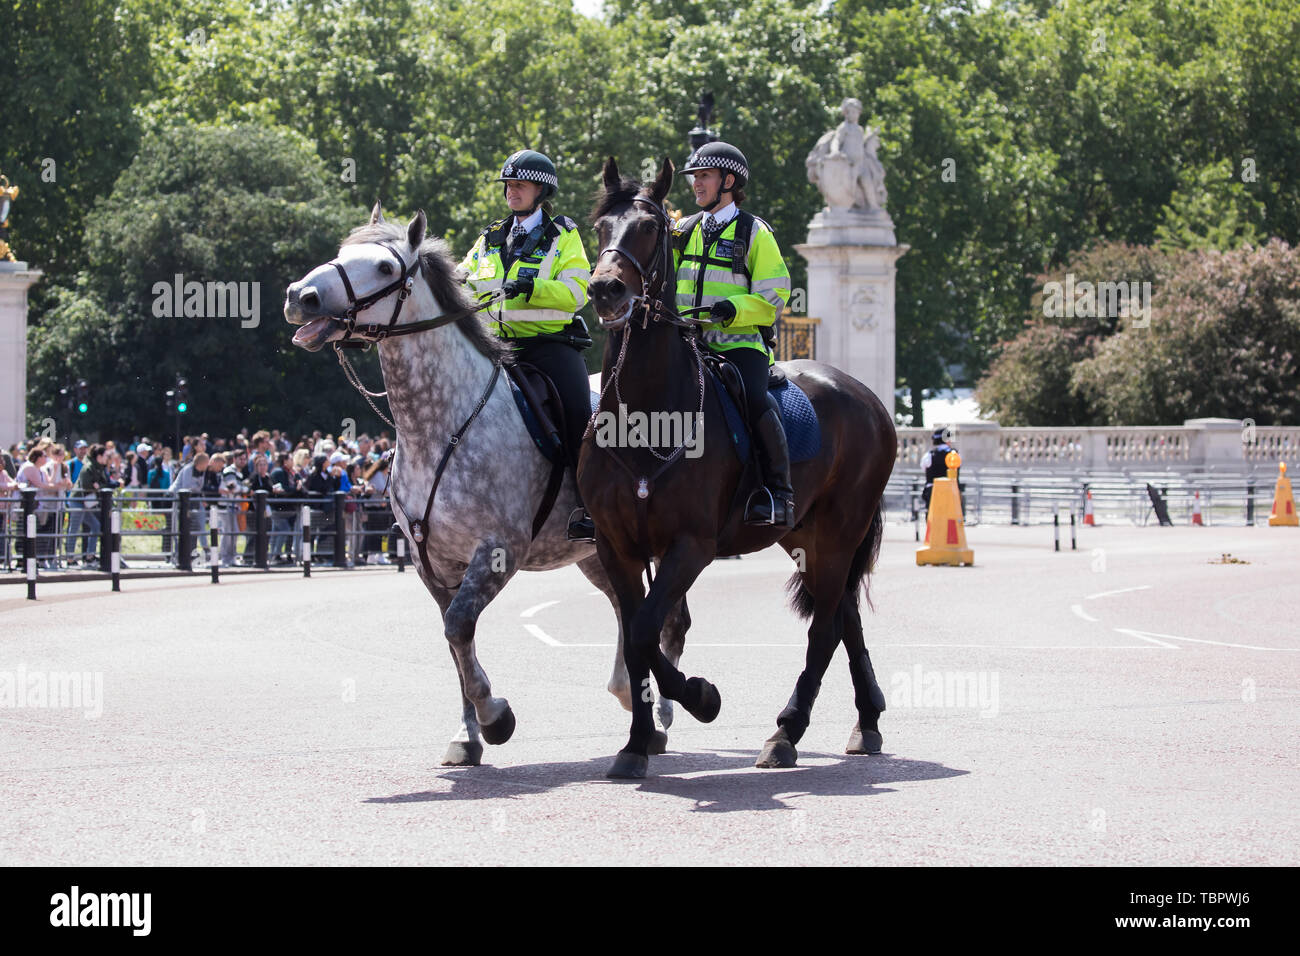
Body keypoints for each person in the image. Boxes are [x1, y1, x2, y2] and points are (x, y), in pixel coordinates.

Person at [460, 149, 596, 541]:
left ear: (541, 190)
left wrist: (533, 287)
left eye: (519, 185)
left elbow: (577, 291)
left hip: (548, 347)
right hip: (494, 347)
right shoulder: (489, 237)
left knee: (577, 414)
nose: (511, 191)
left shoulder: (564, 235)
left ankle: (588, 507)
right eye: (508, 185)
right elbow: (463, 276)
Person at [674, 141, 794, 527]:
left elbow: (775, 292)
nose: (696, 184)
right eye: (694, 177)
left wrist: (735, 309)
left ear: (728, 181)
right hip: (687, 343)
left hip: (738, 344)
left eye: (704, 176)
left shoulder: (754, 232)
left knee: (755, 400)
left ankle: (778, 493)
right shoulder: (684, 230)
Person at [920, 427, 960, 512]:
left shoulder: (928, 455)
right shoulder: (955, 455)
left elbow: (924, 469)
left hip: (932, 493)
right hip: (950, 493)